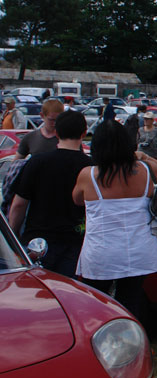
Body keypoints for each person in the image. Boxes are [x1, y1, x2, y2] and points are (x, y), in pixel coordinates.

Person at [73, 120, 157, 320]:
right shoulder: (144, 170)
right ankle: (131, 341)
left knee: (96, 304)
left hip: (102, 253)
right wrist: (142, 155)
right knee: (130, 302)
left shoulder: (88, 175)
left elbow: (77, 200)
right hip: (139, 250)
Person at [7, 110, 93, 277]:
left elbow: (18, 204)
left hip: (38, 243)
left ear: (56, 132)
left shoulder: (37, 162)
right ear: (84, 133)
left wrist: (13, 237)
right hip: (76, 242)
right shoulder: (91, 167)